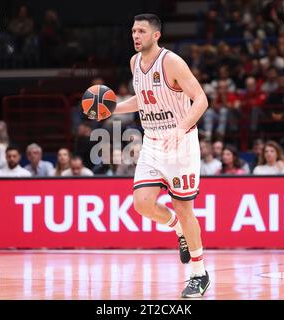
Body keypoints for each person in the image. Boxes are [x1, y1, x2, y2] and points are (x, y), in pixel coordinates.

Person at [111, 14, 210, 297]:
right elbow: (144, 99)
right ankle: (178, 229)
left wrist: (181, 128)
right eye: (133, 30)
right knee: (142, 204)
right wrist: (113, 108)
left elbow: (201, 98)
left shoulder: (172, 62)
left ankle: (199, 273)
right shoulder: (134, 63)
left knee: (184, 208)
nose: (135, 35)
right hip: (152, 143)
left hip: (181, 144)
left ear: (156, 35)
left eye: (141, 30)